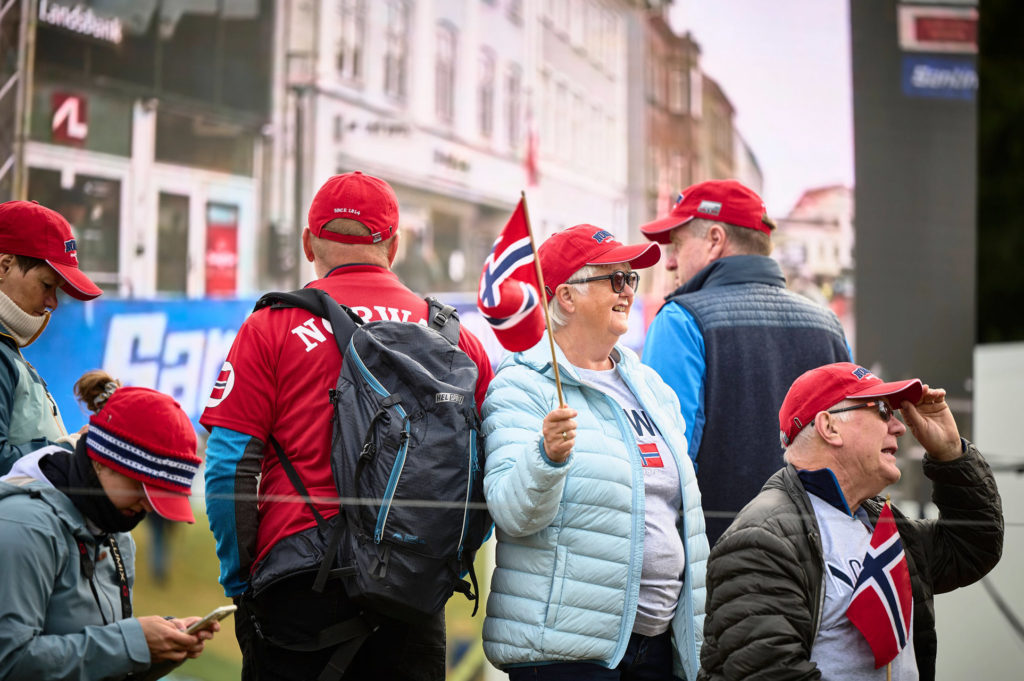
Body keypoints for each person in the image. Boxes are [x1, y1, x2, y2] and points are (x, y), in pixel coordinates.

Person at [201, 171, 495, 681]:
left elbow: (229, 468)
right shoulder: (455, 341)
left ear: (308, 242)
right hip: (413, 594)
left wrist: (238, 579)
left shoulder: (272, 326)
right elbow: (487, 473)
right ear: (395, 245)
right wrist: (444, 566)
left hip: (297, 586)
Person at [482, 224, 709, 681]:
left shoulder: (650, 387)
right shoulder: (522, 383)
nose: (627, 291)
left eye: (631, 280)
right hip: (567, 653)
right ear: (566, 296)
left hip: (659, 645)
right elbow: (511, 513)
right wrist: (546, 457)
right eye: (614, 279)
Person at [699, 362, 1004, 681]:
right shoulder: (761, 538)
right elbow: (772, 673)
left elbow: (971, 548)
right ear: (829, 427)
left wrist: (951, 453)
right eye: (883, 410)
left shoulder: (876, 520)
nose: (899, 427)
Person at [639, 179, 851, 544]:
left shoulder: (681, 320)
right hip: (816, 564)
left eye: (677, 244)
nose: (670, 260)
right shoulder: (828, 325)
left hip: (714, 568)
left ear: (715, 240)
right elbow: (852, 454)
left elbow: (661, 470)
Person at [0, 370, 220, 681]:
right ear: (103, 459)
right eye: (143, 489)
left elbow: (96, 666)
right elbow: (9, 663)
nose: (147, 507)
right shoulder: (22, 526)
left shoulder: (116, 532)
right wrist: (132, 642)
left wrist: (159, 651)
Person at [0, 200, 103, 473]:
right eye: (47, 285)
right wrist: (70, 450)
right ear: (4, 267)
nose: (52, 302)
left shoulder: (7, 350)